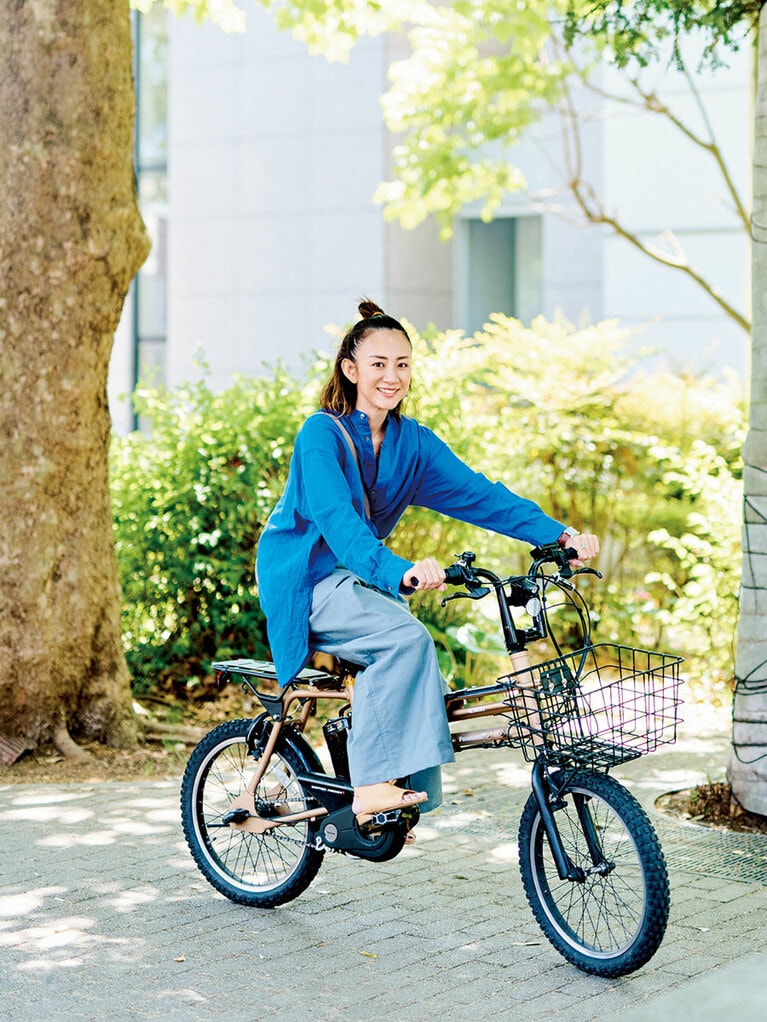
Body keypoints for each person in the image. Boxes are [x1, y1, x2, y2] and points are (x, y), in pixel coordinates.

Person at [255, 299, 599, 823]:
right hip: (307, 579)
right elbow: (340, 525)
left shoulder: (411, 445)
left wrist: (561, 535)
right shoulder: (320, 435)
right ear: (350, 370)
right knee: (405, 641)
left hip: (358, 578)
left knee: (423, 671)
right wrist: (400, 571)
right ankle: (370, 786)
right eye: (377, 364)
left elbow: (483, 497)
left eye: (402, 364)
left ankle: (399, 812)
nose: (391, 376)